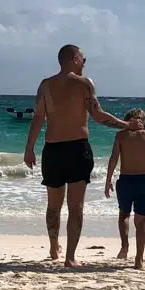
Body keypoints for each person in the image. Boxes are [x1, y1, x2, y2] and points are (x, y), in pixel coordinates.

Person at [23, 44, 129, 267]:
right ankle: (70, 257)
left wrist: (29, 148)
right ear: (73, 59)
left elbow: (38, 118)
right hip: (77, 149)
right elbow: (98, 115)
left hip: (52, 149)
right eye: (83, 58)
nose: (85, 62)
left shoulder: (45, 85)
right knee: (75, 205)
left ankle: (54, 248)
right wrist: (126, 125)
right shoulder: (85, 84)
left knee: (53, 205)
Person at [103, 108, 145, 269]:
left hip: (125, 181)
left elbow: (113, 158)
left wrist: (108, 180)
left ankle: (125, 246)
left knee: (124, 214)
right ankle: (139, 259)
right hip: (143, 182)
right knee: (141, 221)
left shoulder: (120, 136)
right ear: (143, 122)